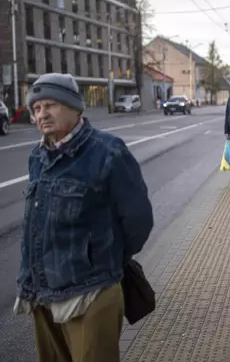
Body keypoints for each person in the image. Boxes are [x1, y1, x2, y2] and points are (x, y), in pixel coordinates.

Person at [15, 73, 154, 362]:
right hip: (42, 294)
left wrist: (104, 262)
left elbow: (138, 221)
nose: (43, 114)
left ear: (74, 106)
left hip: (91, 293)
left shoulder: (107, 151)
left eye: (50, 105)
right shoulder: (37, 156)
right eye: (37, 108)